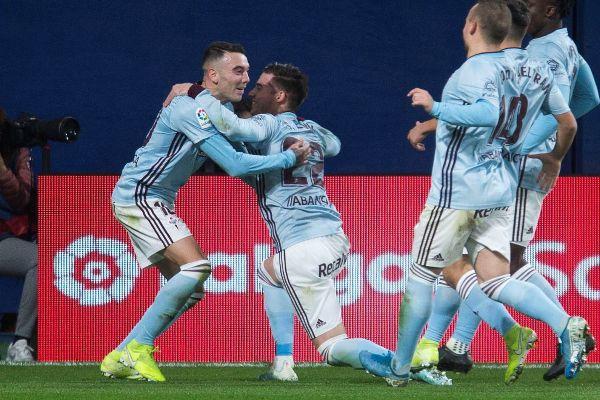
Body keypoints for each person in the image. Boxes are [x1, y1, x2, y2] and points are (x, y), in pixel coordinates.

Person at [360, 0, 587, 387]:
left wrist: (436, 107)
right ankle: (564, 323)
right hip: (500, 192)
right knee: (496, 279)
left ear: (471, 27)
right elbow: (567, 120)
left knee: (420, 277)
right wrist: (554, 158)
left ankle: (400, 368)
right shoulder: (533, 69)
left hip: (457, 195)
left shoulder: (472, 71)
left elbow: (486, 113)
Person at [169, 62, 398, 382]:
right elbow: (335, 145)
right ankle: (400, 361)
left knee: (269, 269)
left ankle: (283, 363)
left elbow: (231, 126)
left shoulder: (268, 125)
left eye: (260, 87)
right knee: (332, 346)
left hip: (303, 246)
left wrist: (199, 92)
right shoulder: (313, 131)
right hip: (334, 240)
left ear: (279, 96)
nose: (252, 90)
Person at [100, 42, 310, 382]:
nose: (246, 79)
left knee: (191, 286)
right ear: (213, 75)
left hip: (156, 199)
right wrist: (288, 159)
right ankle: (137, 349)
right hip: (140, 195)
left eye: (247, 71)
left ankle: (122, 354)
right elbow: (235, 164)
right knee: (196, 266)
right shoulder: (189, 108)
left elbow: (246, 152)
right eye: (238, 71)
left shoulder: (213, 108)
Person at [0, 109, 37, 363]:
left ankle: (20, 341)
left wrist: (2, 169)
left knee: (41, 258)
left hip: (6, 235)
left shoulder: (15, 147)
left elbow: (21, 199)